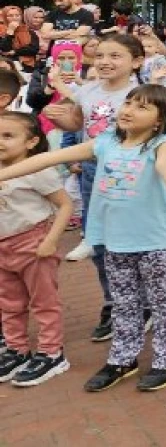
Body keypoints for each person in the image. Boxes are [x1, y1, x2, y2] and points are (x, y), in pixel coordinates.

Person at [1, 85, 166, 392]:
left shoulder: (164, 142)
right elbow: (49, 158)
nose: (129, 110)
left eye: (142, 107)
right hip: (113, 239)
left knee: (162, 303)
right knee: (124, 302)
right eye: (129, 102)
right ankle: (123, 358)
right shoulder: (105, 142)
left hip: (154, 240)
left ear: (160, 120)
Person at [41, 34, 144, 339]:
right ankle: (113, 301)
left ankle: (142, 303)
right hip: (91, 173)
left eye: (115, 56)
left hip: (130, 174)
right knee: (98, 241)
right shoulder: (87, 91)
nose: (105, 62)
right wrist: (59, 119)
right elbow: (79, 126)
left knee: (131, 241)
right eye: (100, 56)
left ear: (136, 61)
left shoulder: (143, 93)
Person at [0, 112, 74, 387]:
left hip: (32, 243)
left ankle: (51, 352)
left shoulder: (37, 169)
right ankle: (17, 349)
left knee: (44, 302)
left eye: (8, 136)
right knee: (9, 304)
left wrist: (51, 241)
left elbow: (65, 205)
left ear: (31, 141)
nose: (1, 141)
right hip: (3, 246)